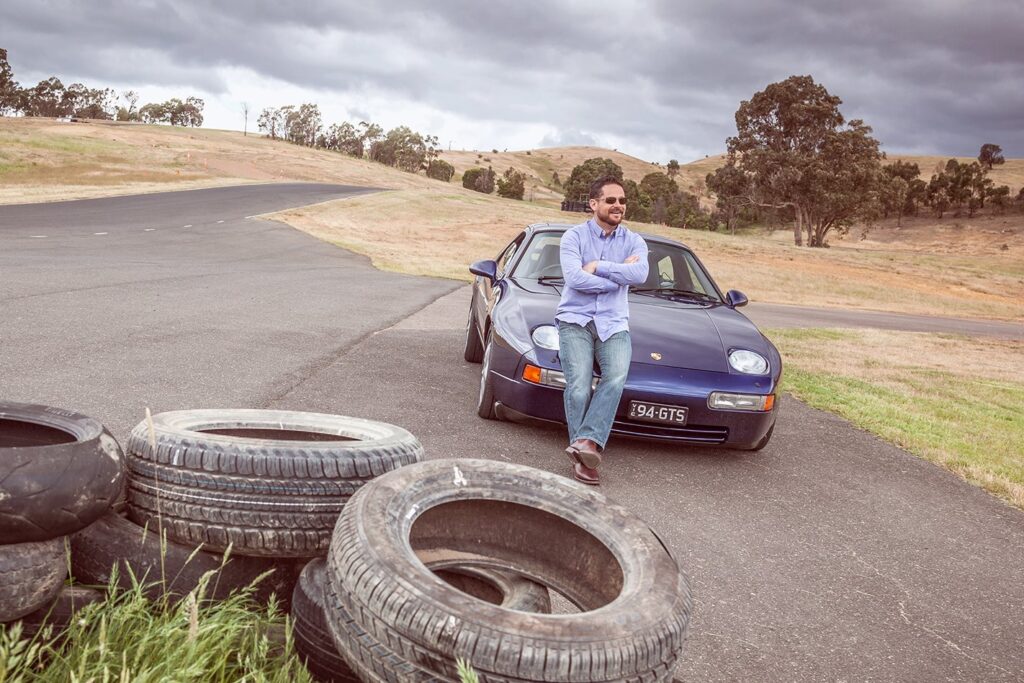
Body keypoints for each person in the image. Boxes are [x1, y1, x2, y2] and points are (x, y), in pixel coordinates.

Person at [555, 175, 648, 485]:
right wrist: (618, 279)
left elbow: (641, 273)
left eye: (622, 200)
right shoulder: (573, 237)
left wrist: (598, 266)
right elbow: (574, 279)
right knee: (579, 386)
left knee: (617, 375)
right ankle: (585, 457)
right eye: (611, 200)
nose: (618, 205)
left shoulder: (634, 241)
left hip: (614, 323)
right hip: (575, 320)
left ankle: (586, 444)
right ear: (594, 204)